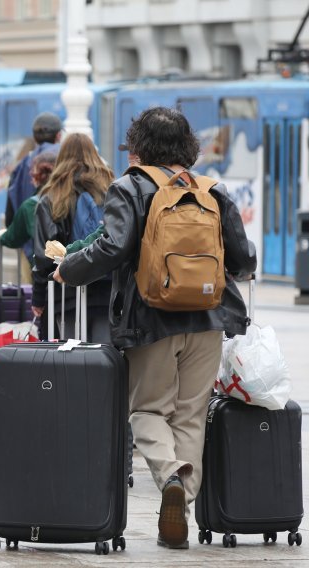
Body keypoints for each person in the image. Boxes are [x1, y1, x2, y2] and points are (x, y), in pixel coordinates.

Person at [52, 107, 257, 549]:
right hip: (208, 317)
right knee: (190, 416)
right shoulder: (212, 190)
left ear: (138, 145)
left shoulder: (130, 187)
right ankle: (180, 508)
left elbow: (112, 247)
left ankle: (169, 477)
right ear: (188, 146)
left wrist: (69, 270)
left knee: (147, 410)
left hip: (151, 319)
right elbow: (242, 259)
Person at [30, 133, 114, 343]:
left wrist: (39, 297)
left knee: (73, 359)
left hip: (66, 292)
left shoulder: (50, 199)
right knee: (104, 359)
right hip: (108, 291)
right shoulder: (112, 193)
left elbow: (43, 256)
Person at [0, 151, 56, 266]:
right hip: (74, 267)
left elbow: (13, 238)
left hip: (46, 272)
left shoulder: (31, 205)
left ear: (38, 175)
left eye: (32, 170)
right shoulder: (70, 197)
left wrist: (1, 235)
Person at [4, 112, 62, 228]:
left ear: (34, 138)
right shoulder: (64, 159)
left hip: (29, 238)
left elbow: (11, 202)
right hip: (59, 240)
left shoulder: (23, 164)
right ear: (59, 135)